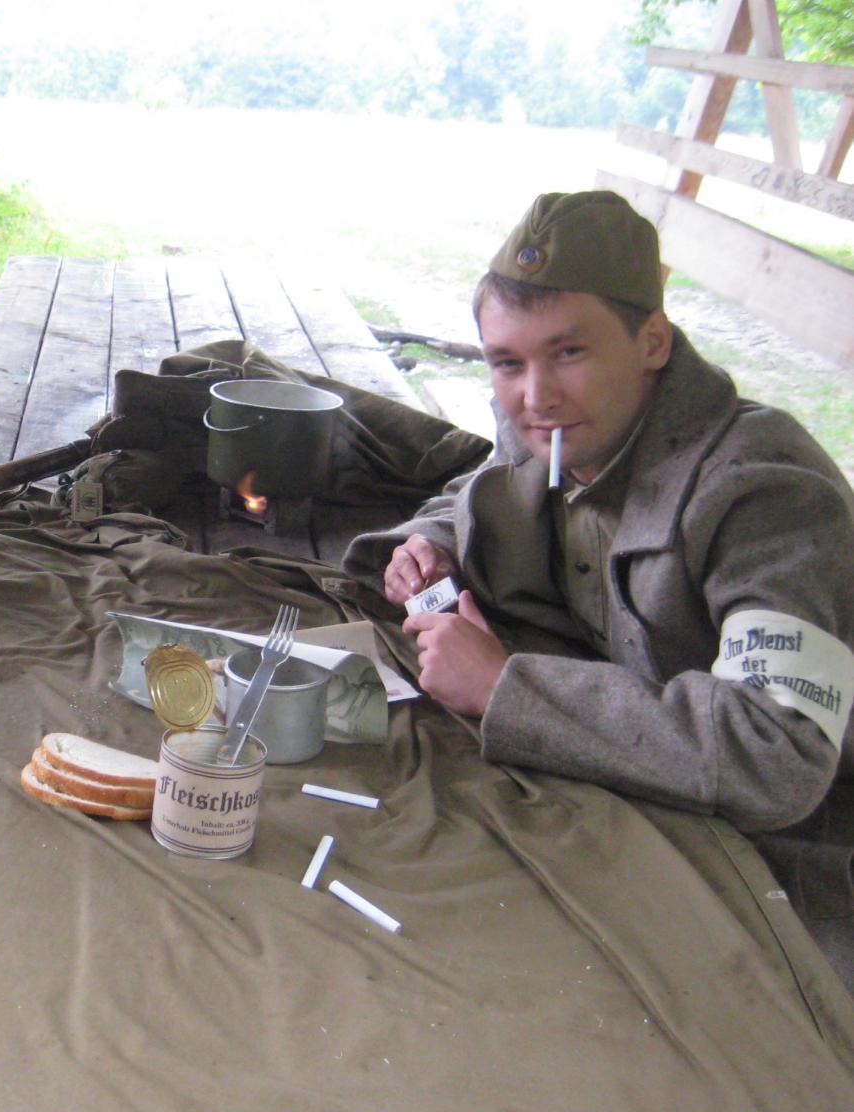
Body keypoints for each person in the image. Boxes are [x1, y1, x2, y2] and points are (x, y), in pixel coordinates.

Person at [345, 190, 854, 974]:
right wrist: (431, 544)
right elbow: (488, 482)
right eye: (507, 362)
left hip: (785, 850)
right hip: (627, 778)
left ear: (653, 341)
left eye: (570, 352)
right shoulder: (560, 423)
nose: (535, 396)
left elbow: (778, 750)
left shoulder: (763, 491)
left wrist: (506, 685)